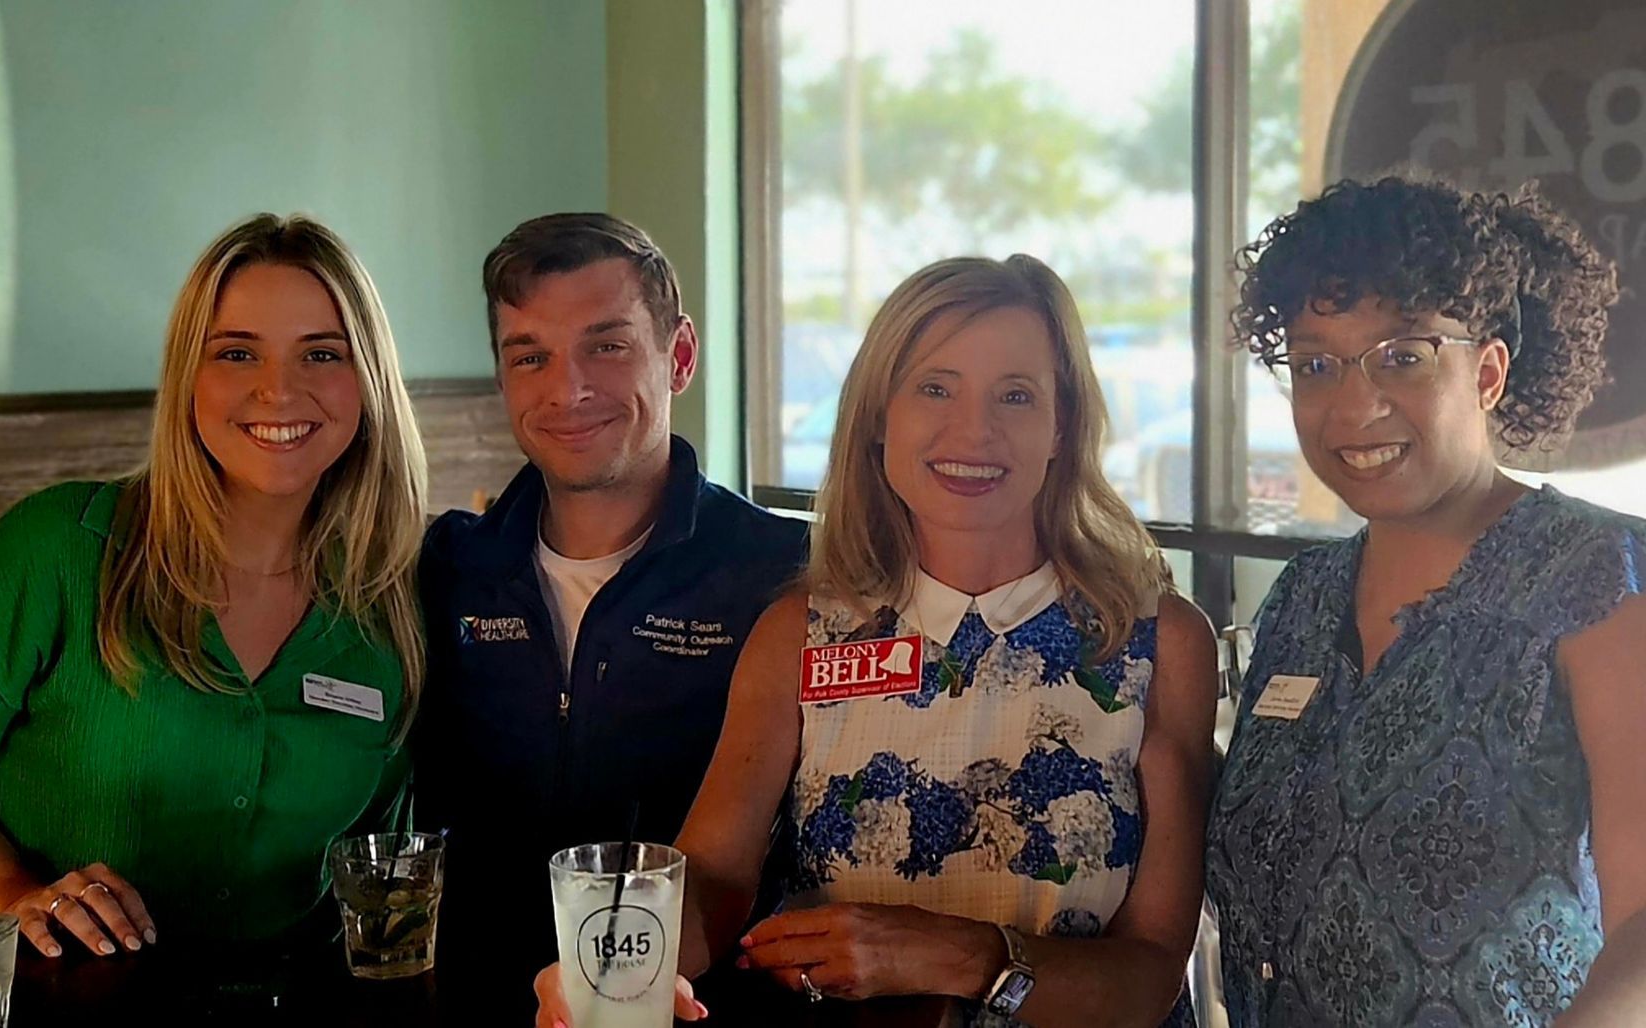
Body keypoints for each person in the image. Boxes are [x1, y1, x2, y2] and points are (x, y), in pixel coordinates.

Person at [536, 255, 1218, 1027]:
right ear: (878, 417)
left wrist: (951, 955)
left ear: (1063, 427)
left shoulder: (1158, 642)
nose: (974, 429)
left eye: (1017, 395)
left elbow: (1151, 974)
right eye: (935, 387)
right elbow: (719, 877)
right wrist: (617, 956)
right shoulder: (798, 632)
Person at [0, 214, 430, 958]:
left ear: (368, 382)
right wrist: (16, 898)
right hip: (61, 1007)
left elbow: (383, 857)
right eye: (236, 353)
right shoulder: (56, 550)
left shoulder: (392, 603)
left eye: (321, 354)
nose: (278, 390)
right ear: (188, 376)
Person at [1207, 176, 1646, 1026]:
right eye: (1316, 364)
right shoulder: (1303, 600)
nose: (1354, 405)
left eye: (1402, 356)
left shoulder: (1595, 583)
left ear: (1487, 372)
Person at [415, 213, 807, 1020]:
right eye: (531, 357)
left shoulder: (784, 574)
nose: (568, 389)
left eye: (608, 345)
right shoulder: (445, 568)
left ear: (681, 355)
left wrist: (609, 985)